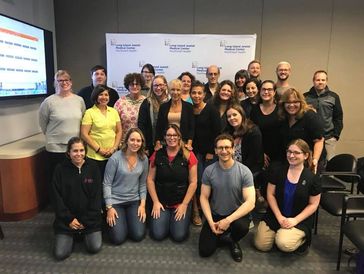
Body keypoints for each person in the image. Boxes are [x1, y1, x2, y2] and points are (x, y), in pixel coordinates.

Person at [254, 139, 321, 254]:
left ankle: (301, 240)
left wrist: (295, 220)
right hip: (276, 215)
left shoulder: (313, 178)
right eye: (289, 152)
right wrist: (279, 217)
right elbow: (270, 195)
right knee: (261, 245)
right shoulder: (277, 171)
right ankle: (281, 232)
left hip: (299, 219)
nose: (291, 155)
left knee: (283, 243)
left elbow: (313, 204)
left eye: (296, 152)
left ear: (306, 155)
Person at [199, 134, 255, 262]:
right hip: (215, 215)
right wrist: (210, 221)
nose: (224, 151)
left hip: (236, 215)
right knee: (205, 251)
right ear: (215, 151)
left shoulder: (244, 171)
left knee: (242, 227)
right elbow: (203, 197)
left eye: (227, 147)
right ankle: (223, 235)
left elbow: (251, 202)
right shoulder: (209, 171)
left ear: (233, 149)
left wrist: (228, 220)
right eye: (220, 148)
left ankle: (232, 240)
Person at [50, 137, 102, 260]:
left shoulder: (93, 168)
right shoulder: (60, 169)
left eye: (81, 150)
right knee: (60, 254)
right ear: (68, 153)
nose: (79, 154)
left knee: (94, 247)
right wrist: (69, 219)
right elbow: (56, 198)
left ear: (85, 151)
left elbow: (97, 197)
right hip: (67, 221)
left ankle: (81, 233)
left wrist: (85, 220)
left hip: (89, 220)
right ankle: (73, 235)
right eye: (75, 151)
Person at [147, 124, 198, 242]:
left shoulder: (188, 155)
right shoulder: (157, 154)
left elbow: (193, 182)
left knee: (178, 236)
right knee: (158, 235)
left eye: (175, 135)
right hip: (161, 202)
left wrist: (184, 204)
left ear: (179, 137)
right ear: (164, 137)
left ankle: (178, 221)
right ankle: (167, 219)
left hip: (180, 202)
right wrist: (155, 202)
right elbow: (150, 180)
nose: (172, 138)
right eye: (169, 135)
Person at [103, 128, 148, 245]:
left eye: (138, 141)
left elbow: (143, 184)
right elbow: (106, 184)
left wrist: (142, 205)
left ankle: (126, 222)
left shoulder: (144, 159)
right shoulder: (115, 158)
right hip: (115, 202)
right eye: (132, 139)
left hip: (133, 201)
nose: (135, 143)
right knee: (118, 239)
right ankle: (116, 223)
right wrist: (109, 207)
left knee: (138, 235)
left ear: (142, 143)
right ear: (126, 141)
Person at [39, 70, 86, 182]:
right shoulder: (48, 102)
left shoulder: (79, 100)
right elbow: (43, 124)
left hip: (74, 148)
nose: (64, 82)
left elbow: (83, 120)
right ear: (56, 83)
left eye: (66, 80)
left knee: (72, 179)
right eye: (60, 80)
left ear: (71, 82)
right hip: (55, 147)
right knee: (56, 179)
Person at [190, 80, 222, 226]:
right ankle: (196, 211)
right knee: (194, 183)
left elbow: (218, 132)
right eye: (194, 93)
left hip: (208, 154)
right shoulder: (188, 109)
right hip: (193, 152)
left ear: (204, 94)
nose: (196, 96)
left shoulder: (212, 110)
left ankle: (206, 211)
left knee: (206, 183)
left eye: (199, 93)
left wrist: (211, 151)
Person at [278, 88, 325, 173]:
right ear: (283, 104)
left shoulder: (310, 116)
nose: (291, 105)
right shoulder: (282, 118)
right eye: (288, 102)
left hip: (309, 161)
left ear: (301, 103)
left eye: (295, 102)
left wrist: (314, 161)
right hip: (292, 160)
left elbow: (319, 140)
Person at [81, 84, 122, 178]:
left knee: (110, 182)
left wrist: (114, 148)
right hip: (95, 156)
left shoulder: (114, 111)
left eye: (106, 95)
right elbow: (84, 134)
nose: (104, 97)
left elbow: (119, 131)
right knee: (96, 183)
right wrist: (99, 150)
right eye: (101, 94)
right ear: (96, 96)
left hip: (112, 155)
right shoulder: (89, 112)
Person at [304, 70, 343, 161]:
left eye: (323, 80)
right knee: (311, 162)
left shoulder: (334, 97)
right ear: (313, 81)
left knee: (329, 164)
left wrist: (335, 136)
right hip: (310, 138)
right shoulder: (305, 97)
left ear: (326, 81)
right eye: (318, 80)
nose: (320, 82)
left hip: (328, 138)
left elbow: (338, 117)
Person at [250, 80, 283, 169]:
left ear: (274, 92)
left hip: (279, 154)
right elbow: (252, 134)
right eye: (263, 89)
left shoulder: (281, 109)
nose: (266, 92)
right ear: (260, 91)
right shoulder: (254, 110)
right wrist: (260, 153)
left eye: (269, 89)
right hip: (260, 153)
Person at [155, 79, 194, 151]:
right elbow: (158, 127)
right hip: (166, 143)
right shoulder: (163, 107)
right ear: (169, 91)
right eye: (172, 89)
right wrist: (157, 143)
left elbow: (191, 127)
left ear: (182, 91)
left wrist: (189, 143)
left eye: (178, 90)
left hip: (183, 144)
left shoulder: (189, 107)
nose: (175, 92)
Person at [138, 75, 170, 155]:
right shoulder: (147, 103)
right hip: (151, 145)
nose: (158, 88)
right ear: (152, 87)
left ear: (165, 85)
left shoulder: (171, 101)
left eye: (160, 85)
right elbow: (141, 125)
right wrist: (145, 146)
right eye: (155, 85)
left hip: (170, 143)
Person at [114, 73, 146, 141]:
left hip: (141, 142)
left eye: (137, 84)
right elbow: (114, 125)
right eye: (132, 84)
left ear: (141, 86)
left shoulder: (146, 102)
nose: (134, 86)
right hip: (124, 142)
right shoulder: (120, 102)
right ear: (127, 86)